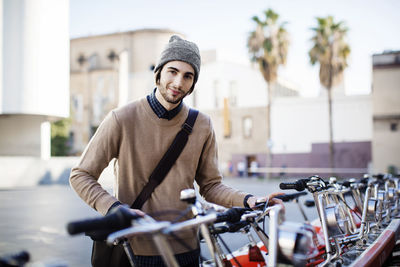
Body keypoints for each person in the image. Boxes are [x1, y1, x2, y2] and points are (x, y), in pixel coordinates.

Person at [69, 35, 283, 267]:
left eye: (188, 76)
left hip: (187, 246)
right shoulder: (121, 118)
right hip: (138, 248)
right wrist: (114, 208)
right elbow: (81, 175)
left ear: (193, 83)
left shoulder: (202, 124)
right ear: (158, 73)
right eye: (173, 71)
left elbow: (211, 186)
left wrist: (249, 200)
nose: (178, 82)